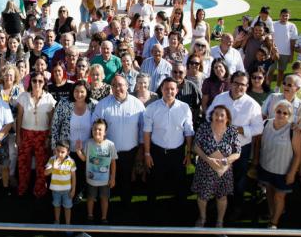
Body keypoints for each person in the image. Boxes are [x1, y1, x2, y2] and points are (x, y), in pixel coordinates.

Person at [206, 71, 264, 216]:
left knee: (238, 178)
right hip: (219, 146)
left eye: (243, 85)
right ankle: (218, 201)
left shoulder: (252, 105)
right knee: (218, 175)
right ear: (231, 83)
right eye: (236, 83)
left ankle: (236, 205)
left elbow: (259, 128)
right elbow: (208, 115)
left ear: (247, 86)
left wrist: (239, 129)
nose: (239, 87)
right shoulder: (220, 98)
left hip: (240, 149)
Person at [92, 75, 145, 210]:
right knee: (106, 181)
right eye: (114, 85)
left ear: (127, 86)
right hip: (107, 153)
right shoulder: (103, 105)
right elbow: (95, 125)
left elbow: (142, 129)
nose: (118, 88)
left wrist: (141, 150)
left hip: (129, 152)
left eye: (121, 85)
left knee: (126, 181)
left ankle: (126, 209)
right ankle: (105, 210)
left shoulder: (137, 104)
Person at [253, 100, 301, 229]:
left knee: (279, 196)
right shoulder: (266, 124)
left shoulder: (293, 131)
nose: (281, 114)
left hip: (283, 171)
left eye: (285, 113)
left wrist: (292, 173)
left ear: (289, 115)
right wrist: (256, 160)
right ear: (274, 111)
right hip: (266, 167)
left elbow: (298, 154)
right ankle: (272, 213)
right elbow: (258, 143)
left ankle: (274, 222)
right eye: (279, 111)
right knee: (269, 191)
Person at [144, 78, 194, 206]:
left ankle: (179, 214)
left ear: (177, 90)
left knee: (180, 185)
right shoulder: (151, 108)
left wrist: (188, 153)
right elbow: (147, 133)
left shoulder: (184, 107)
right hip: (157, 152)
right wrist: (147, 154)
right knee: (153, 184)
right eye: (166, 88)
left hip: (177, 153)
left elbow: (188, 132)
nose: (169, 91)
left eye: (172, 89)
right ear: (161, 89)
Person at [192, 105, 241, 228]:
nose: (219, 117)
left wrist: (226, 160)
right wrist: (208, 159)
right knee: (203, 196)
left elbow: (237, 152)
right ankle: (202, 218)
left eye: (222, 115)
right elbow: (196, 147)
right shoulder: (204, 128)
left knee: (222, 197)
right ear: (211, 115)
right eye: (216, 114)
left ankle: (220, 221)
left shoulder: (232, 131)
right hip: (205, 169)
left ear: (227, 118)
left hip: (224, 171)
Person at [16, 71, 56, 198]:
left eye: (40, 81)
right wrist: (18, 136)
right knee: (23, 163)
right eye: (34, 81)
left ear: (44, 83)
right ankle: (22, 188)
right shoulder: (23, 97)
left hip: (42, 134)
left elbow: (52, 120)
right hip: (26, 133)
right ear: (30, 82)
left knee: (41, 164)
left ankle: (39, 190)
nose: (37, 83)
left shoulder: (49, 98)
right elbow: (19, 117)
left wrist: (49, 137)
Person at [75, 118, 117, 225]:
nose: (97, 131)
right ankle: (90, 215)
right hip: (91, 179)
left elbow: (113, 163)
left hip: (105, 180)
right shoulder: (88, 143)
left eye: (100, 129)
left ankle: (104, 217)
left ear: (105, 132)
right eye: (94, 129)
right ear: (92, 130)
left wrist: (112, 178)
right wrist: (78, 151)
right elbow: (84, 159)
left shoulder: (110, 145)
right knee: (90, 198)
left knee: (104, 199)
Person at [45, 142, 77, 225]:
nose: (59, 153)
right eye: (58, 151)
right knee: (56, 206)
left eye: (62, 152)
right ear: (55, 150)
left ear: (68, 152)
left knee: (67, 207)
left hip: (67, 190)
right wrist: (53, 167)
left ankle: (68, 224)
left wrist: (73, 190)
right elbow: (45, 173)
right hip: (55, 190)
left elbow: (73, 177)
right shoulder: (52, 159)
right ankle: (57, 221)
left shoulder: (71, 161)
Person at [271, 9, 298, 86]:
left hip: (286, 53)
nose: (284, 17)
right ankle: (267, 86)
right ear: (280, 15)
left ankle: (277, 87)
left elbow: (293, 42)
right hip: (274, 52)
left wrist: (292, 55)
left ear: (289, 16)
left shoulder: (292, 26)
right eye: (283, 15)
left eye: (286, 15)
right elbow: (270, 38)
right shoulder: (273, 24)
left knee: (281, 71)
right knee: (271, 70)